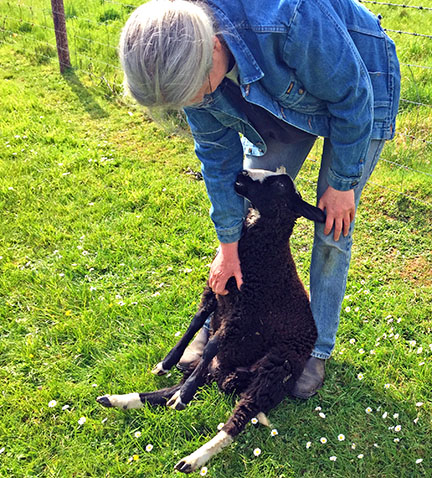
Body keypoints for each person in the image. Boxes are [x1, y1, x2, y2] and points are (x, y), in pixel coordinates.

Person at [118, 0, 400, 398]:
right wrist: (228, 244)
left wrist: (342, 183)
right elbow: (220, 164)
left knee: (333, 225)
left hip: (360, 88)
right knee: (249, 216)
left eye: (198, 92)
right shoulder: (187, 64)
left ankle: (314, 350)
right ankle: (219, 326)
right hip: (286, 96)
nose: (196, 103)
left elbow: (353, 98)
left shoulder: (286, 18)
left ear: (214, 47)